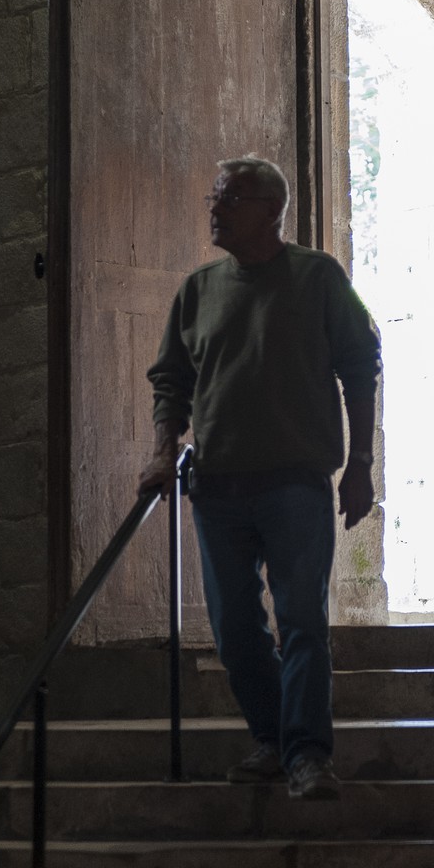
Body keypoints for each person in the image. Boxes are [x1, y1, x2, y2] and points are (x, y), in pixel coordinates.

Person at [138, 155, 381, 800]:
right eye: (215, 196)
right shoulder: (198, 290)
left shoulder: (319, 278)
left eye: (231, 199)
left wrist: (361, 465)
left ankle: (306, 754)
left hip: (295, 483)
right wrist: (164, 450)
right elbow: (171, 382)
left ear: (272, 212)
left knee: (302, 617)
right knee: (235, 630)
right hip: (217, 487)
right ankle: (272, 739)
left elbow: (360, 367)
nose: (214, 208)